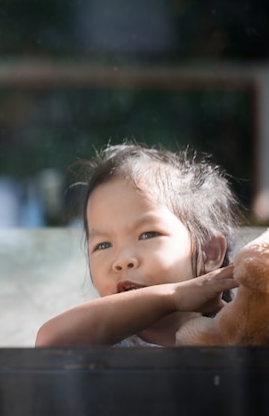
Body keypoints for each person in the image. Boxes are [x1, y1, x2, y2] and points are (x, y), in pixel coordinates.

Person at [35, 142, 243, 347]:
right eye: (103, 245)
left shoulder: (235, 332)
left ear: (209, 252)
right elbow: (49, 341)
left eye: (147, 235)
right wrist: (172, 297)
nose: (122, 260)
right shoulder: (99, 341)